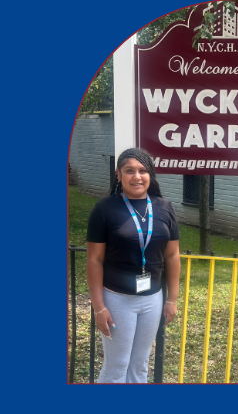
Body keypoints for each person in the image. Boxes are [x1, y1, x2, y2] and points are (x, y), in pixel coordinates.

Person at [86, 148, 181, 383]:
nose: (137, 177)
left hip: (152, 299)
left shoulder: (165, 207)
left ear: (151, 175)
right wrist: (99, 308)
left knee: (139, 366)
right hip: (117, 299)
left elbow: (172, 256)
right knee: (117, 366)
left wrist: (172, 300)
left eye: (143, 171)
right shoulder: (104, 209)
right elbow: (95, 260)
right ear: (118, 175)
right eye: (129, 171)